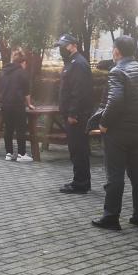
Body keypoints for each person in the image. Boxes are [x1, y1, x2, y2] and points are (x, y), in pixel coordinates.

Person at [90, 35, 138, 230]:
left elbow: (115, 100)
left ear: (117, 51)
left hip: (118, 131)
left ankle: (111, 217)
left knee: (115, 175)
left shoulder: (117, 71)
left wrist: (104, 124)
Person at [55, 34, 94, 193]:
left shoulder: (78, 63)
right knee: (76, 149)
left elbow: (79, 91)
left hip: (77, 116)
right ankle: (81, 181)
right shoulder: (72, 62)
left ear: (73, 45)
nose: (61, 49)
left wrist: (73, 113)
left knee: (78, 149)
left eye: (63, 46)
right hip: (73, 114)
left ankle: (81, 184)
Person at [0, 49, 36, 162]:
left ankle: (9, 153)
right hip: (17, 104)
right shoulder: (22, 72)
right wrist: (29, 104)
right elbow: (26, 92)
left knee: (8, 128)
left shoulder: (4, 71)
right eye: (25, 64)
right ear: (22, 62)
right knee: (20, 129)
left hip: (5, 103)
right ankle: (21, 154)